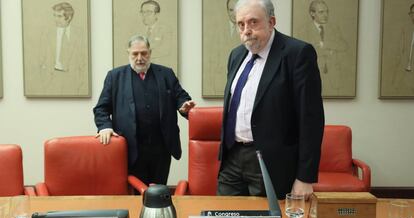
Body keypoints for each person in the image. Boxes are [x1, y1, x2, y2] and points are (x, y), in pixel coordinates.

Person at [217, 0, 325, 200]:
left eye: (253, 22)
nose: (246, 30)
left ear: (271, 22)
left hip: (271, 161)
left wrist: (305, 177)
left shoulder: (297, 54)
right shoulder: (236, 55)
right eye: (241, 24)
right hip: (232, 158)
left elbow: (311, 119)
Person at [93, 35, 195, 185]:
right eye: (135, 54)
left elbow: (181, 98)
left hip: (161, 148)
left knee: (158, 192)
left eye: (144, 53)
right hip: (130, 148)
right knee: (133, 193)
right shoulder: (115, 77)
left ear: (150, 53)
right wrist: (105, 127)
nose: (139, 58)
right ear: (128, 53)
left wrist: (185, 107)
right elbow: (101, 108)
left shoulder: (166, 74)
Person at [296, 0, 348, 96]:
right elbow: (301, 54)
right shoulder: (303, 30)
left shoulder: (334, 28)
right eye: (321, 12)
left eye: (327, 11)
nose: (325, 15)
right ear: (312, 13)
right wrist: (330, 51)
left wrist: (324, 44)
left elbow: (344, 46)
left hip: (334, 76)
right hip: (312, 77)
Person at [36, 2, 88, 95]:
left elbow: (83, 60)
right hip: (51, 78)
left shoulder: (80, 34)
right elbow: (40, 59)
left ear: (69, 17)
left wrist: (80, 81)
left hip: (73, 80)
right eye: (54, 15)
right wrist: (43, 79)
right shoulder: (46, 33)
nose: (55, 19)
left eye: (59, 16)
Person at [390, 3, 414, 94]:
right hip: (405, 70)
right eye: (411, 13)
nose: (413, 16)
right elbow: (400, 51)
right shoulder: (406, 30)